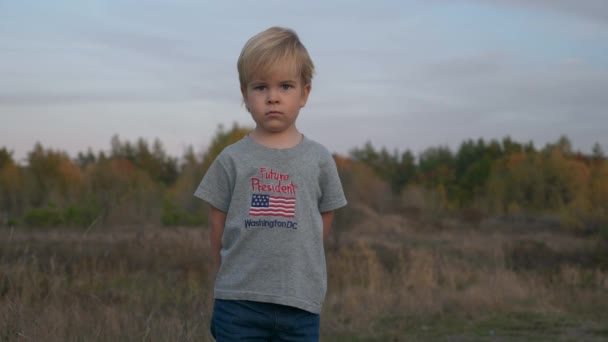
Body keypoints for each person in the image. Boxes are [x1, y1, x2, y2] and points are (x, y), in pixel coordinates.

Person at [194, 26, 347, 341]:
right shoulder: (232, 158)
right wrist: (227, 270)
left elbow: (324, 218)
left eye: (286, 86)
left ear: (304, 93)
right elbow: (216, 222)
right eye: (261, 87)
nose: (273, 97)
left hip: (299, 302)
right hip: (239, 303)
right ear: (245, 94)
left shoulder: (318, 159)